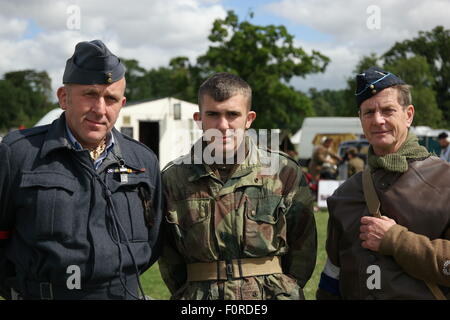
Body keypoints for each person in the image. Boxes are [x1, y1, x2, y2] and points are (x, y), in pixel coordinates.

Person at [0, 40, 162, 300]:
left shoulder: (143, 161)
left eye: (110, 98)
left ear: (122, 103)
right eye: (90, 94)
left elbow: (153, 243)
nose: (100, 109)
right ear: (64, 97)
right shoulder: (19, 154)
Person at [158, 72, 317, 300]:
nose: (223, 125)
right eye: (213, 114)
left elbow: (304, 247)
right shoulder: (174, 178)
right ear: (198, 118)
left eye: (233, 114)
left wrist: (283, 289)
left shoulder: (283, 171)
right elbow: (168, 256)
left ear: (249, 118)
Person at [317, 66, 450, 300]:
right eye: (369, 112)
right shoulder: (344, 195)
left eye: (388, 110)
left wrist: (396, 240)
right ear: (360, 119)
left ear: (408, 115)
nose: (378, 120)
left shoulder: (445, 181)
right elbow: (332, 276)